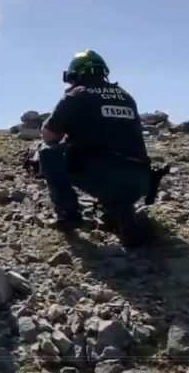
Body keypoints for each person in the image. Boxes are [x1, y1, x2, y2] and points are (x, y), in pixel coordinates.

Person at [39, 50, 153, 247]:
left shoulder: (77, 95)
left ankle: (68, 214)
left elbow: (49, 136)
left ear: (76, 75)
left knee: (47, 152)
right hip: (140, 180)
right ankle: (115, 211)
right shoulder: (126, 97)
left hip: (103, 176)